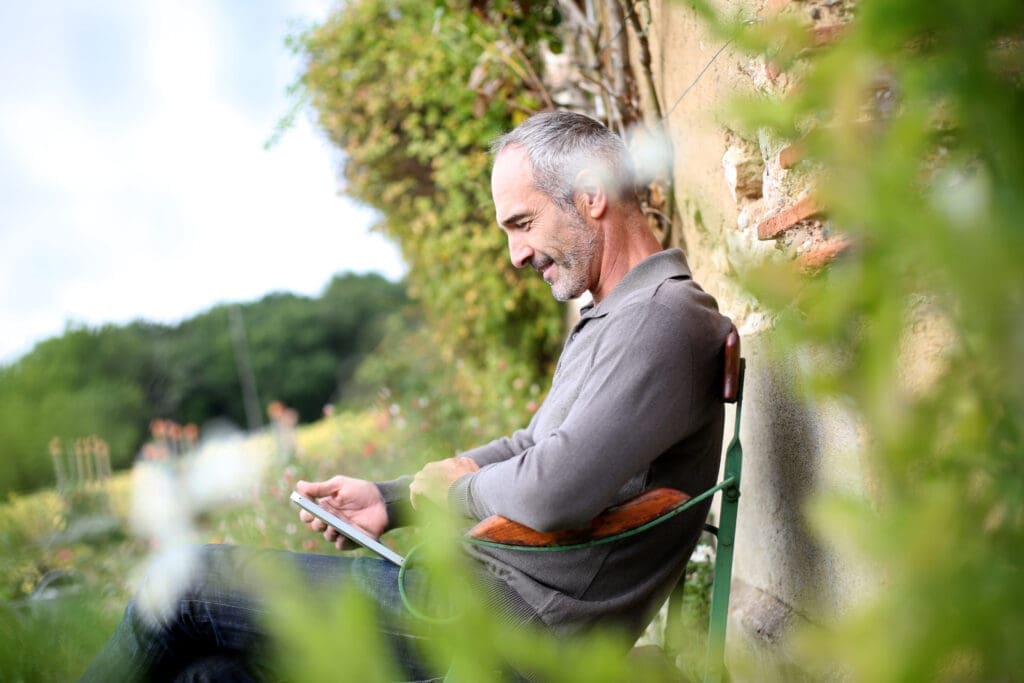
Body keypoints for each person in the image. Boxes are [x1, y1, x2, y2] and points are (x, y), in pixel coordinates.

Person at [81, 110, 733, 682]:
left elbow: (553, 491)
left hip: (512, 626)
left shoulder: (661, 317)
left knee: (189, 580)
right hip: (488, 595)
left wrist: (449, 491)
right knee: (208, 672)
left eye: (523, 222)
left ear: (591, 195)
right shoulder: (618, 316)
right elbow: (533, 447)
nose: (514, 253)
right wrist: (389, 497)